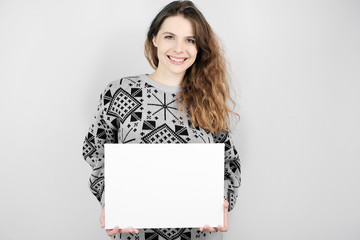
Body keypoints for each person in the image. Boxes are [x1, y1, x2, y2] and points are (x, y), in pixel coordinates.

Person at [82, 1, 241, 239]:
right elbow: (96, 152)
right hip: (136, 233)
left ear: (200, 48)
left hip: (198, 234)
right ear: (154, 39)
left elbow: (230, 163)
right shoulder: (120, 92)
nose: (180, 48)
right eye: (170, 37)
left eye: (190, 40)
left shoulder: (208, 99)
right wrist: (110, 201)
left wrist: (222, 203)